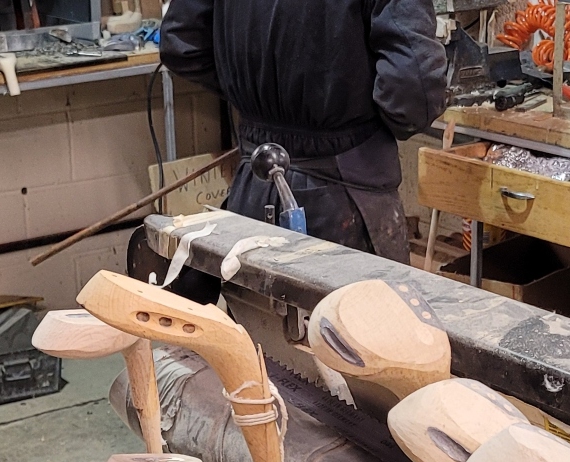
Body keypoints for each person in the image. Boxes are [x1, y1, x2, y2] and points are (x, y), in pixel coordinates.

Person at [159, 0, 449, 264]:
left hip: (254, 184)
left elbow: (181, 43)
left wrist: (257, 99)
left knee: (254, 305)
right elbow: (415, 90)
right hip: (345, 195)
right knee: (361, 306)